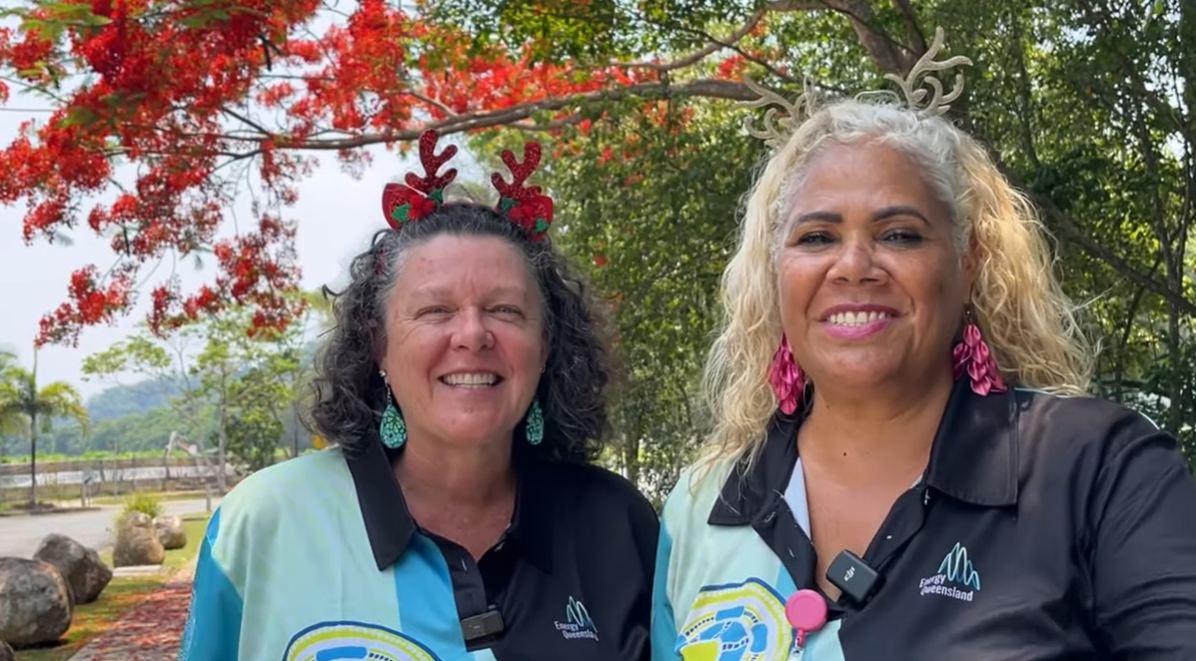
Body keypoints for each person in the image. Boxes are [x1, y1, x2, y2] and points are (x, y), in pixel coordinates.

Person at [651, 30, 1196, 660]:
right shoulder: (702, 505)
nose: (854, 266)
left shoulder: (1094, 466)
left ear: (968, 264)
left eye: (901, 235)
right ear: (775, 274)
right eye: (817, 238)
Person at [178, 130, 659, 661]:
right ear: (379, 346)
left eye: (505, 310)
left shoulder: (617, 524)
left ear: (545, 346)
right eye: (435, 311)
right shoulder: (266, 522)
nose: (473, 334)